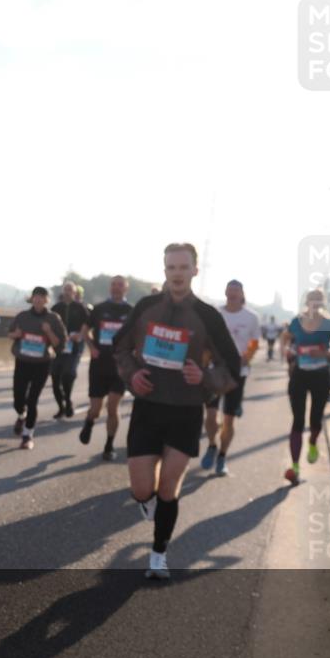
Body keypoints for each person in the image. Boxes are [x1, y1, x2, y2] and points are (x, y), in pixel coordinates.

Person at [114, 243, 240, 579]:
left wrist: (206, 378)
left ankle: (158, 555)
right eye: (171, 268)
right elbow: (120, 348)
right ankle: (148, 503)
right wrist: (132, 374)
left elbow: (233, 365)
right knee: (142, 490)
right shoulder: (146, 307)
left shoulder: (208, 316)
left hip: (185, 412)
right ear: (165, 270)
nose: (177, 274)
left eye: (184, 267)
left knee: (169, 490)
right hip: (148, 408)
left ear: (195, 271)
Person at [280, 289, 330, 484]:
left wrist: (325, 354)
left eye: (318, 301)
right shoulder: (296, 321)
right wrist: (287, 352)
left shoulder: (328, 324)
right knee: (297, 420)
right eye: (312, 300)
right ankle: (295, 467)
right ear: (307, 302)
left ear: (323, 303)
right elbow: (285, 339)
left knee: (315, 420)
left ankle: (312, 442)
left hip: (321, 377)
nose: (315, 304)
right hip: (299, 376)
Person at [200, 280, 262, 476]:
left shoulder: (251, 317)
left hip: (237, 373)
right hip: (215, 370)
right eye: (230, 290)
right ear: (225, 292)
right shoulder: (216, 313)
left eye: (236, 290)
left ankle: (222, 456)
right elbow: (205, 338)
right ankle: (212, 445)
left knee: (229, 420)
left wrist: (247, 357)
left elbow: (254, 341)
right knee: (210, 416)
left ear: (242, 294)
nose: (233, 293)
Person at [79, 275, 133, 461]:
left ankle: (109, 445)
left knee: (112, 406)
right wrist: (92, 347)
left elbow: (138, 337)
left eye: (120, 285)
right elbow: (85, 331)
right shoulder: (100, 309)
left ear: (126, 288)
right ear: (110, 288)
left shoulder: (131, 311)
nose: (116, 288)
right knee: (95, 409)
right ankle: (89, 422)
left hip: (119, 368)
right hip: (99, 365)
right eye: (113, 285)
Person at [7, 287, 67, 450]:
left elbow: (60, 345)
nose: (38, 300)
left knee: (32, 399)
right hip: (23, 362)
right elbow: (10, 334)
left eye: (42, 297)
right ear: (32, 299)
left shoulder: (53, 319)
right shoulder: (23, 316)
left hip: (42, 364)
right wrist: (16, 335)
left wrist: (49, 332)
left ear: (47, 300)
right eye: (36, 297)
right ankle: (21, 415)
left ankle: (27, 435)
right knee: (18, 399)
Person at [50, 281, 91, 419]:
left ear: (74, 293)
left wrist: (80, 335)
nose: (67, 292)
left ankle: (68, 400)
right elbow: (49, 324)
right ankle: (61, 407)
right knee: (55, 377)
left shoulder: (80, 307)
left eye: (70, 290)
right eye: (65, 289)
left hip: (74, 346)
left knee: (68, 373)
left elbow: (89, 324)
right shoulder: (56, 307)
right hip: (58, 347)